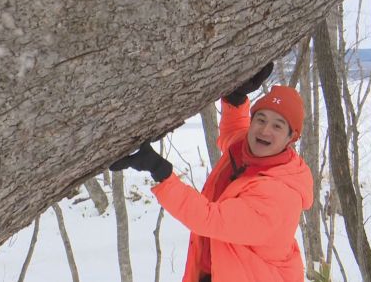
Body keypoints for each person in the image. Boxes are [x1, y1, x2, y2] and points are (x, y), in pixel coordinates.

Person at [110, 62, 313, 282]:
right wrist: (235, 99)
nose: (265, 130)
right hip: (218, 270)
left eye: (277, 126)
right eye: (261, 119)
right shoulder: (250, 150)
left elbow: (209, 218)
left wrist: (160, 171)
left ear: (291, 138)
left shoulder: (279, 196)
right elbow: (235, 131)